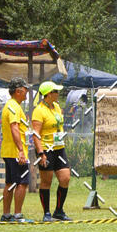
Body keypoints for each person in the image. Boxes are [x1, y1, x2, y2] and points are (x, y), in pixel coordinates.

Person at [32, 82, 71, 222]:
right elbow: (35, 134)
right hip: (46, 150)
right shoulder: (39, 110)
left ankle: (59, 211)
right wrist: (41, 153)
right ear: (48, 94)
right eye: (56, 91)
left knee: (65, 178)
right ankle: (46, 213)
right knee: (46, 181)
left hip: (59, 148)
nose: (58, 93)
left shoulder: (56, 107)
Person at [0, 77, 31, 223]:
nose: (27, 92)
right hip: (15, 151)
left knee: (10, 183)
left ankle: (6, 215)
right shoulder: (13, 106)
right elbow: (14, 127)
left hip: (9, 150)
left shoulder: (12, 105)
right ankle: (17, 214)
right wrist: (20, 150)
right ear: (18, 91)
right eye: (25, 89)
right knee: (22, 183)